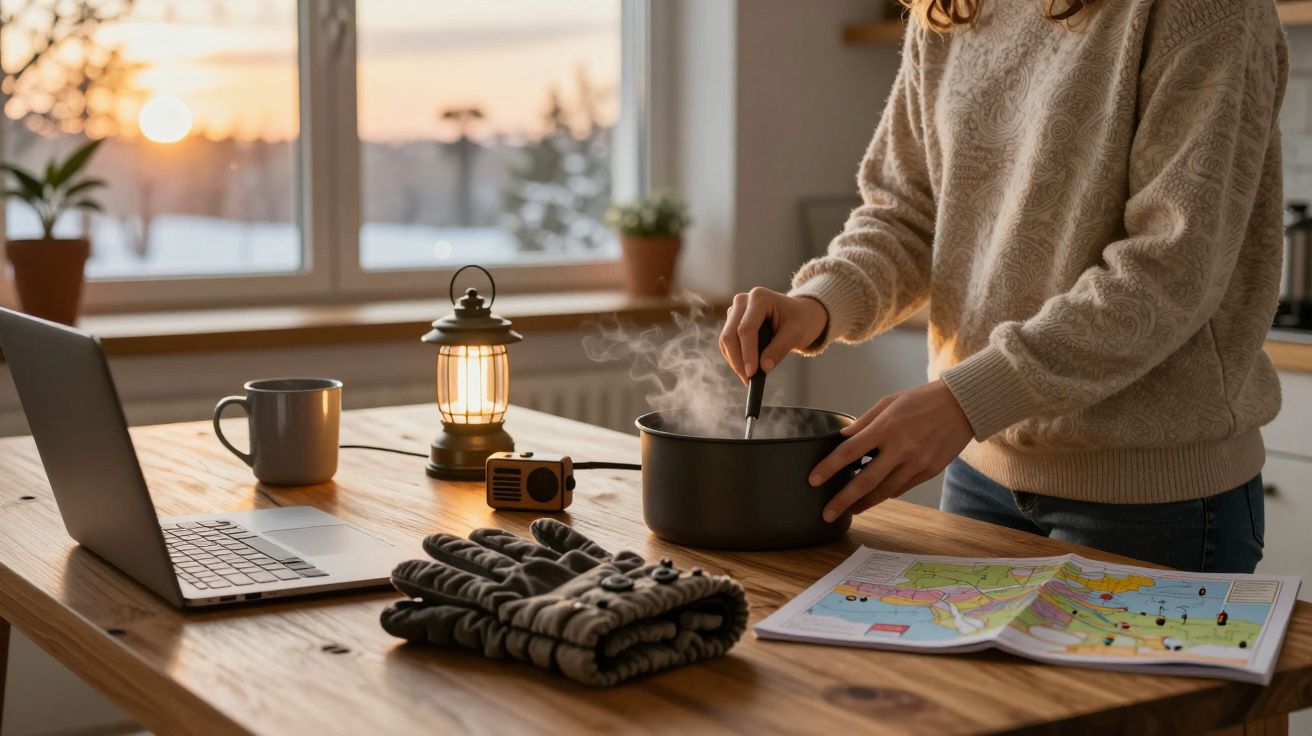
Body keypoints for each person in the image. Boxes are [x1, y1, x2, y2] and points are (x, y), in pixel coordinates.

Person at [719, 0, 1287, 574]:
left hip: (1156, 502)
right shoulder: (951, 8)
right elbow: (909, 214)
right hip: (979, 472)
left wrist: (965, 401)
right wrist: (818, 303)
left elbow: (1170, 271)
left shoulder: (1206, 9)